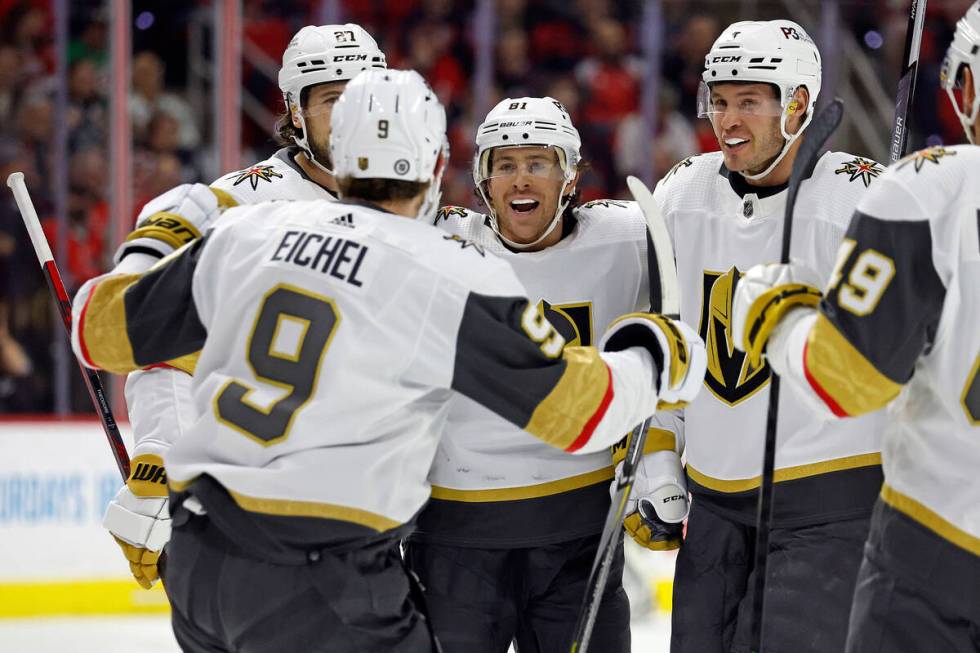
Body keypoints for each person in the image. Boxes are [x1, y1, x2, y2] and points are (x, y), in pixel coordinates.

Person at [69, 69, 706, 652]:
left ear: (335, 156)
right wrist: (653, 356)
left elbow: (99, 331)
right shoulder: (445, 270)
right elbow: (579, 414)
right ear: (439, 164)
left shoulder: (247, 234)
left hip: (203, 565)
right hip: (323, 579)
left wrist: (158, 238)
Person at [98, 23, 386, 591]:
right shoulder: (238, 207)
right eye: (333, 99)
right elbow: (164, 341)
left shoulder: (419, 205)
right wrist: (160, 454)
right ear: (295, 113)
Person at [730, 4, 980, 650]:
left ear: (968, 88)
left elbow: (846, 380)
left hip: (939, 556)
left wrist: (777, 312)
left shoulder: (936, 190)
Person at [406, 97, 695, 652]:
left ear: (570, 176)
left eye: (538, 163)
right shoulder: (434, 244)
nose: (521, 178)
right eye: (505, 164)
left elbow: (675, 346)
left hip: (579, 539)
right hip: (453, 540)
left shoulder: (630, 238)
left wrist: (661, 452)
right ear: (483, 180)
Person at [647, 20, 888, 653]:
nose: (727, 118)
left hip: (829, 503)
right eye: (719, 100)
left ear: (800, 105)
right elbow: (667, 339)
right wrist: (657, 452)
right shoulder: (681, 195)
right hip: (715, 506)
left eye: (749, 101)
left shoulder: (859, 200)